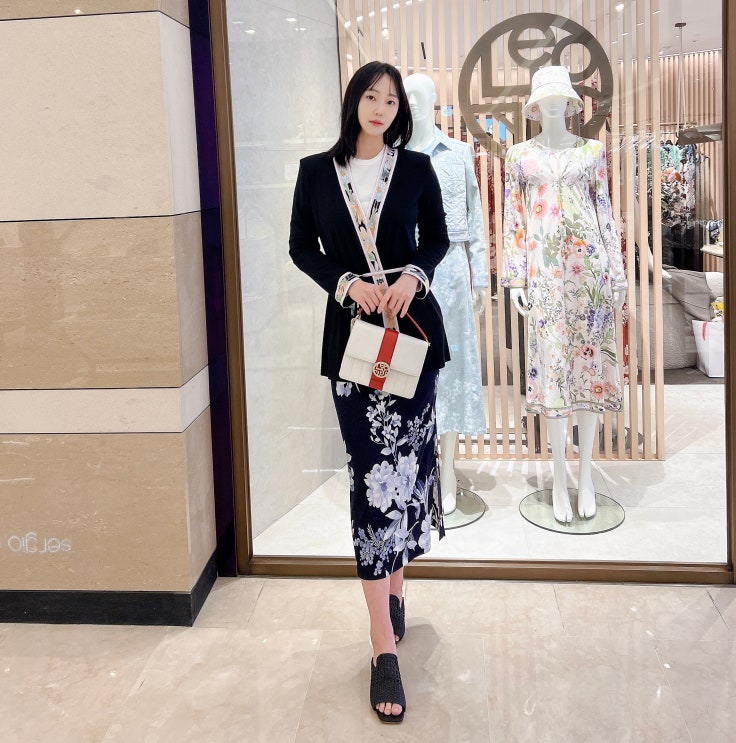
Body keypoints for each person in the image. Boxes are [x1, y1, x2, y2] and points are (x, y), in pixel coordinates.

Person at [289, 61, 450, 723]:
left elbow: (438, 237)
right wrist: (346, 284)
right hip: (355, 347)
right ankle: (383, 644)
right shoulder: (315, 171)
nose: (381, 107)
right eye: (371, 96)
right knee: (370, 478)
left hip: (410, 339)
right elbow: (301, 247)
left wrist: (413, 275)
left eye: (391, 99)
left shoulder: (414, 168)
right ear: (353, 101)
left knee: (406, 470)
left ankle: (396, 588)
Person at [502, 65, 627, 524]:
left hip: (589, 275)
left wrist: (617, 273)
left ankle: (586, 474)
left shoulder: (592, 151)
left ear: (570, 101)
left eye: (561, 96)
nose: (554, 103)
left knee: (589, 373)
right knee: (555, 371)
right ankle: (558, 476)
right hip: (545, 277)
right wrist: (516, 278)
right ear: (536, 104)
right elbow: (514, 219)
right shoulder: (518, 156)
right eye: (546, 96)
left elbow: (604, 211)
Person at [403, 73, 489, 515]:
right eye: (408, 96)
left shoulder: (457, 152)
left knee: (450, 370)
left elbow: (475, 218)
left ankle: (449, 469)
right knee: (409, 369)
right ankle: (418, 468)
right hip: (404, 274)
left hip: (451, 270)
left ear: (436, 101)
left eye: (422, 95)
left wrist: (481, 279)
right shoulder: (392, 154)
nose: (414, 103)